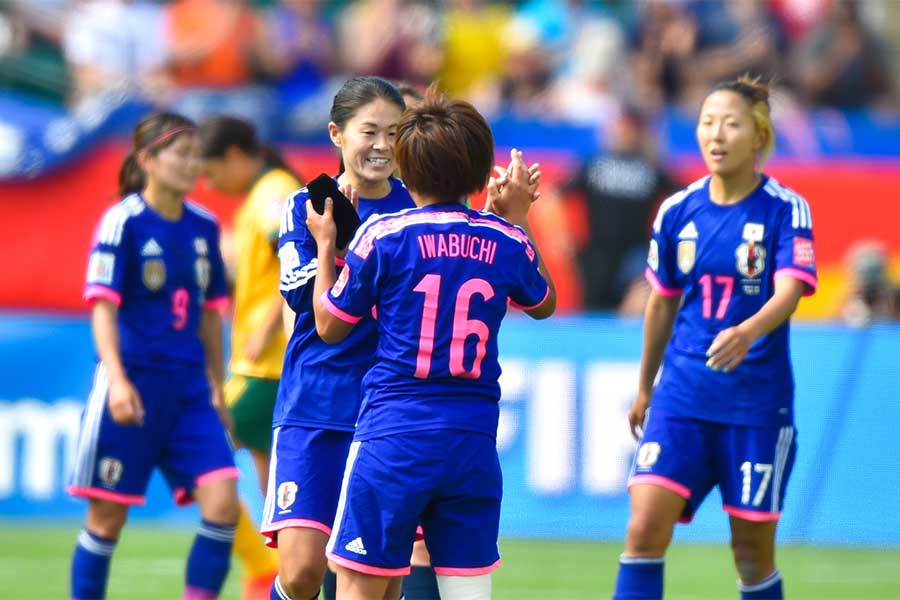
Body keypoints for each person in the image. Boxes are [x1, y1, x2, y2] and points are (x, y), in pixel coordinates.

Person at [306, 89, 555, 600]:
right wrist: (517, 217)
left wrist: (326, 246)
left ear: (407, 166)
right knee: (467, 591)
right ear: (478, 169)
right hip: (472, 441)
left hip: (394, 434)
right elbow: (544, 302)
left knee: (359, 586)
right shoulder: (504, 240)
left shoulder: (384, 234)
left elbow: (330, 326)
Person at [613, 75, 817, 600]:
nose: (717, 134)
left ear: (759, 136)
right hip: (681, 396)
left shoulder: (784, 209)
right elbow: (661, 301)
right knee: (643, 529)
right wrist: (645, 386)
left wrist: (747, 331)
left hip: (755, 405)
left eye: (731, 124)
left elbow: (791, 290)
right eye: (707, 123)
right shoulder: (677, 210)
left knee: (751, 555)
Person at [263, 76, 424, 600]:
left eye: (393, 133)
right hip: (314, 403)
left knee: (377, 578)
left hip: (387, 411)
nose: (382, 146)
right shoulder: (308, 205)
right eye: (369, 131)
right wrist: (335, 244)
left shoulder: (418, 207)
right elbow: (297, 292)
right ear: (337, 134)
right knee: (301, 574)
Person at [69, 112, 240, 600]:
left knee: (223, 504)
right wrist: (118, 381)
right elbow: (103, 308)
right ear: (147, 160)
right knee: (106, 517)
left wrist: (216, 385)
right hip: (134, 383)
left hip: (189, 390)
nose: (192, 164)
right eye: (181, 153)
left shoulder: (204, 227)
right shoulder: (122, 221)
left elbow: (210, 315)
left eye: (196, 155)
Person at [197, 115, 303, 600]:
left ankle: (264, 571)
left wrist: (265, 326)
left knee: (197, 451)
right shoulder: (263, 195)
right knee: (275, 485)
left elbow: (297, 259)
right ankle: (285, 573)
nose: (208, 183)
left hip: (266, 367)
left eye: (211, 170)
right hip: (268, 366)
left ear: (236, 156)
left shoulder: (273, 193)